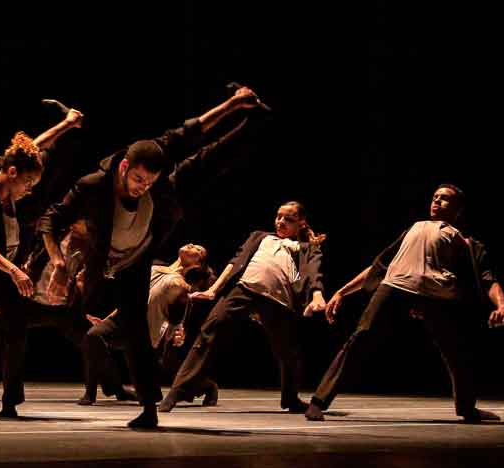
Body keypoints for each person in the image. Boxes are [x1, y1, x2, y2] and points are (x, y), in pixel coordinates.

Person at [39, 85, 264, 428]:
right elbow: (50, 219)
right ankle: (112, 388)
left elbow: (191, 131)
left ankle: (148, 410)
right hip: (109, 263)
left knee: (206, 161)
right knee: (96, 325)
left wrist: (232, 104)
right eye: (138, 180)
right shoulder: (93, 185)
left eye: (149, 182)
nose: (142, 187)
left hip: (137, 258)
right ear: (125, 166)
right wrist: (57, 262)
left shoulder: (154, 174)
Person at [305, 184, 504, 423]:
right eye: (435, 197)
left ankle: (467, 408)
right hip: (396, 287)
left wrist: (502, 305)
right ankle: (318, 402)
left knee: (458, 351)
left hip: (438, 297)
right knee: (361, 337)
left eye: (445, 199)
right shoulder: (416, 228)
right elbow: (378, 268)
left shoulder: (467, 242)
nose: (437, 201)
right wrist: (342, 291)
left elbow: (488, 280)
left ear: (458, 209)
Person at [0, 105, 84, 416]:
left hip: (12, 273)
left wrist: (66, 125)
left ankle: (6, 397)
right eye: (28, 183)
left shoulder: (11, 180)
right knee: (12, 323)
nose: (30, 190)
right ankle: (6, 397)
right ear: (12, 173)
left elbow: (31, 148)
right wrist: (15, 271)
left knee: (11, 326)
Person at [159, 202, 327, 413]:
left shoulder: (305, 247)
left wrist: (317, 294)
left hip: (279, 301)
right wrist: (214, 290)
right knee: (211, 328)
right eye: (278, 216)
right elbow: (235, 262)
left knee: (289, 350)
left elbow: (314, 270)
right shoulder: (260, 237)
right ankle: (177, 391)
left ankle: (291, 398)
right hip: (245, 290)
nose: (281, 222)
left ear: (301, 223)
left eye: (289, 219)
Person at [81, 243, 216, 405]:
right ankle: (107, 389)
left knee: (170, 371)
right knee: (92, 337)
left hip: (150, 328)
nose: (191, 245)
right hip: (125, 317)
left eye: (198, 250)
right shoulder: (156, 267)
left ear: (197, 263)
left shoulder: (182, 284)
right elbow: (132, 297)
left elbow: (182, 310)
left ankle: (208, 387)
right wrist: (108, 317)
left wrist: (180, 329)